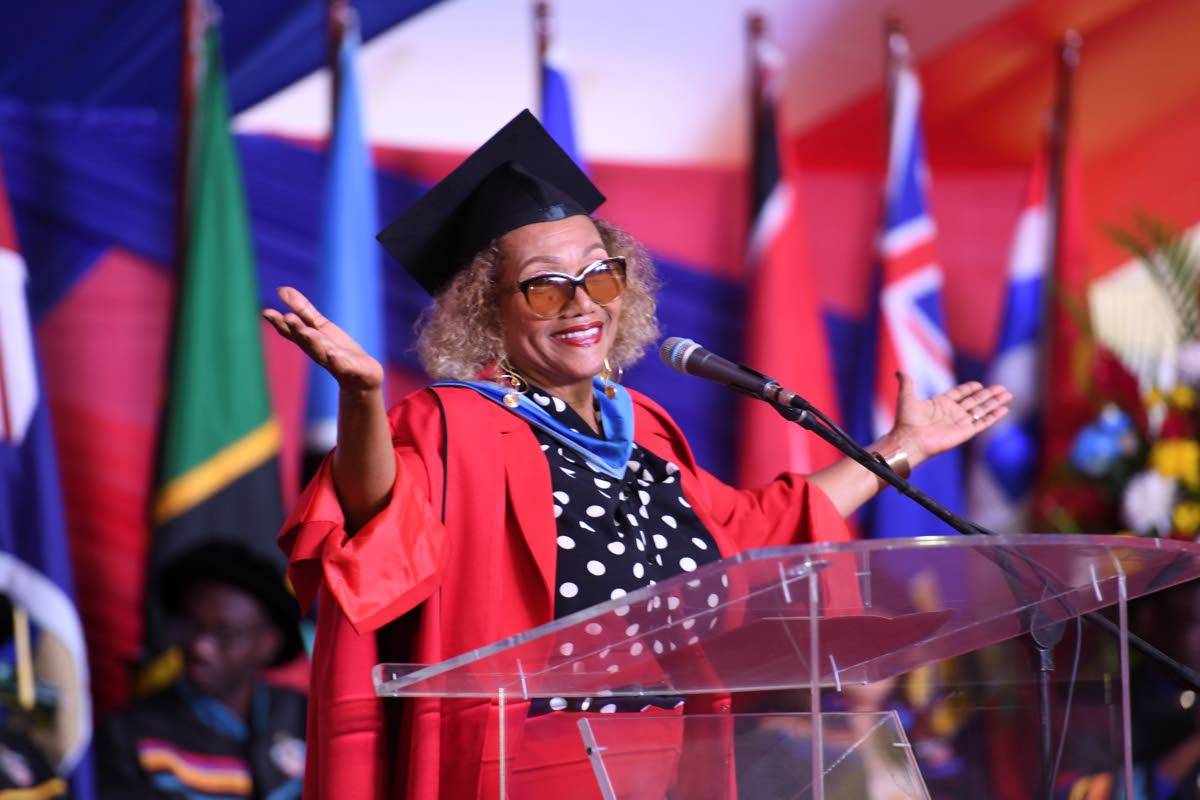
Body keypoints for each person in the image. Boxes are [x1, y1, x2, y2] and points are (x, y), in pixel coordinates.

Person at [263, 109, 1011, 799]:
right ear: (486, 310)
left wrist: (899, 449)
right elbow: (377, 524)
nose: (582, 302)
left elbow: (754, 530)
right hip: (532, 770)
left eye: (599, 274)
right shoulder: (451, 423)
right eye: (545, 288)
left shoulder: (642, 427)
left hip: (678, 762)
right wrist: (362, 398)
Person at [96, 542, 307, 800]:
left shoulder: (306, 718)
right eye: (191, 625)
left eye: (225, 633)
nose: (200, 647)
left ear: (268, 644)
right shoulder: (130, 736)